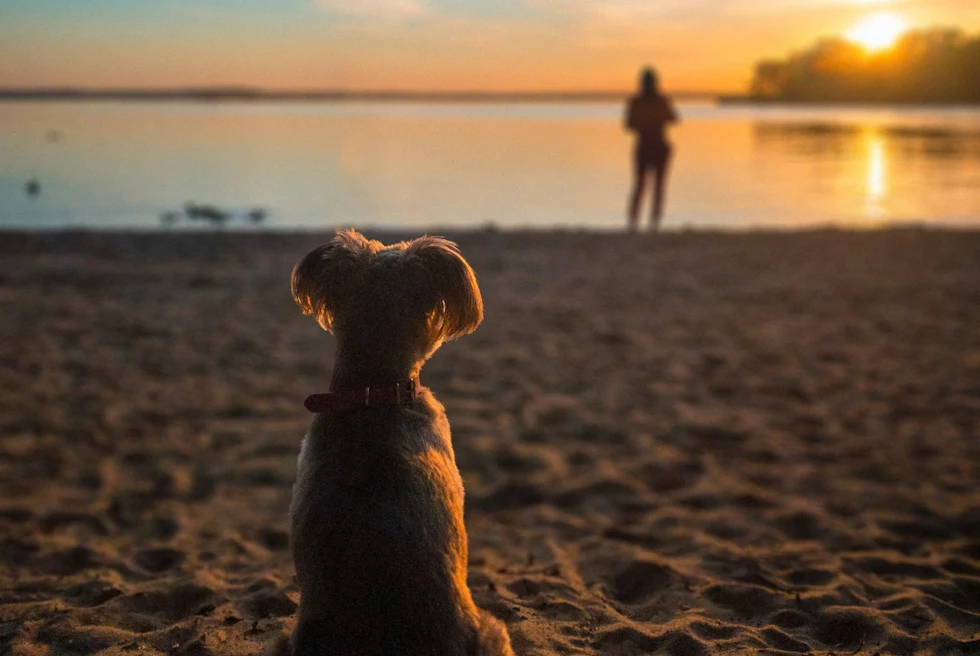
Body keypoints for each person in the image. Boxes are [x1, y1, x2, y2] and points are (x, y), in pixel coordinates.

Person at [625, 67, 678, 232]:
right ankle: (640, 221)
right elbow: (629, 125)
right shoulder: (643, 101)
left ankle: (647, 222)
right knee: (647, 185)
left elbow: (673, 118)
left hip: (655, 146)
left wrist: (648, 121)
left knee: (651, 185)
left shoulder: (654, 101)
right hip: (649, 146)